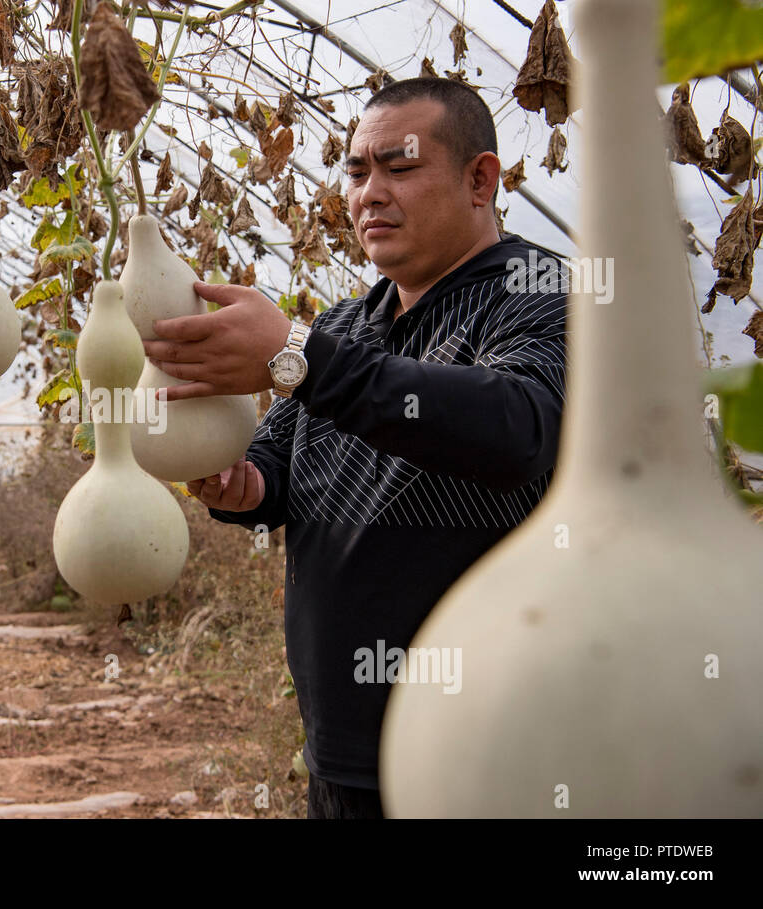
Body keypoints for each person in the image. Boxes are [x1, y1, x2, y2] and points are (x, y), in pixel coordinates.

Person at [144, 78, 569, 818]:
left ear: (481, 179)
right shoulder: (346, 325)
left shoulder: (536, 294)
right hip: (342, 751)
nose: (370, 192)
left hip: (482, 753)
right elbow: (276, 464)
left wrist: (299, 359)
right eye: (355, 170)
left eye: (399, 167)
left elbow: (515, 431)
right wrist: (241, 486)